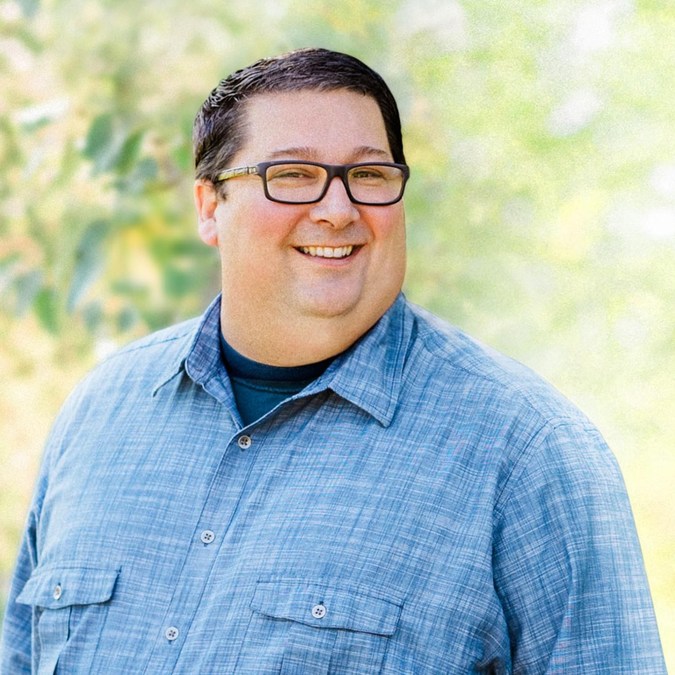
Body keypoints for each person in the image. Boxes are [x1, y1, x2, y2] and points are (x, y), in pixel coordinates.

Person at [0, 47, 666, 674]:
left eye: (369, 175)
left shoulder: (528, 452)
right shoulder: (99, 414)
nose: (338, 210)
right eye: (293, 175)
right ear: (209, 206)